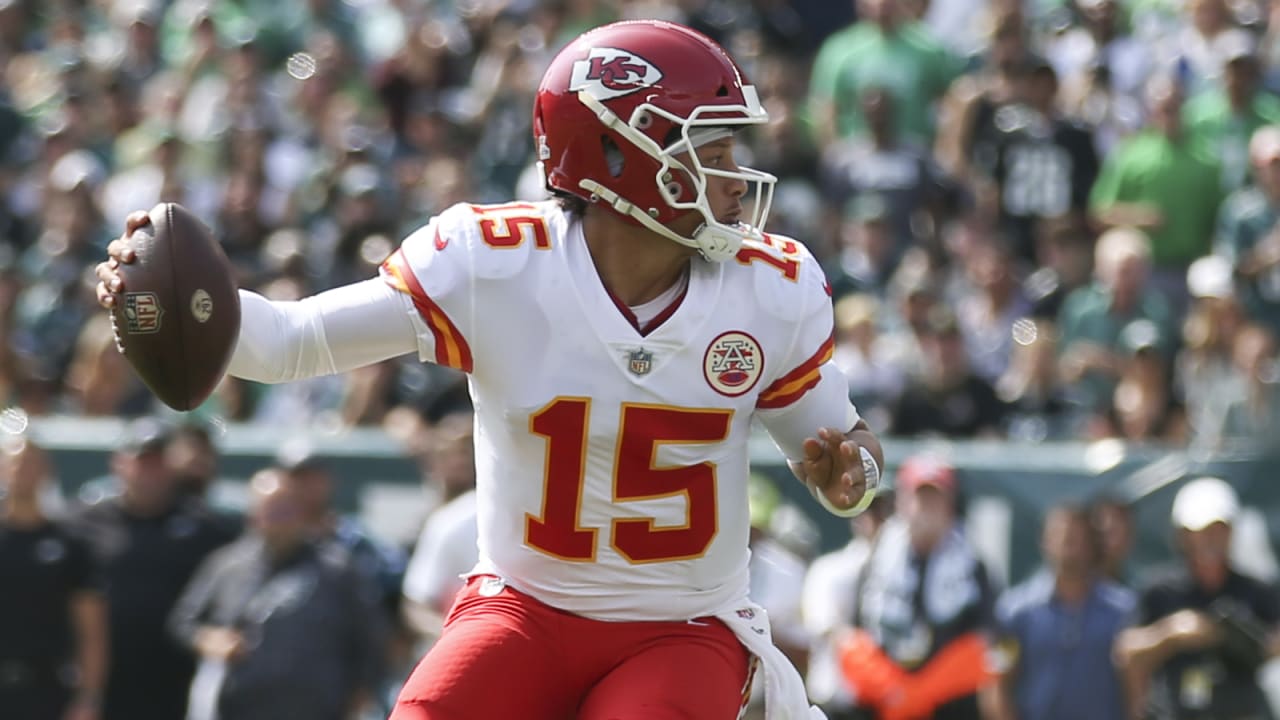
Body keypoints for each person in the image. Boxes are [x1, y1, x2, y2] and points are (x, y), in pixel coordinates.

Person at [96, 19, 884, 720]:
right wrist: (176, 297)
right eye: (709, 153)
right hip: (523, 609)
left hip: (684, 626)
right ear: (615, 154)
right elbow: (289, 345)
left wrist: (852, 474)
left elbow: (837, 445)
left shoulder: (769, 286)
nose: (732, 176)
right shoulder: (495, 264)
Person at [169, 467, 387, 720]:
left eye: (286, 508)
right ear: (253, 514)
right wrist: (207, 638)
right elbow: (182, 621)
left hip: (318, 710)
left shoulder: (337, 569)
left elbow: (372, 637)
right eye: (270, 509)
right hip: (239, 708)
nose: (279, 518)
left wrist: (365, 690)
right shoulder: (227, 565)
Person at [68, 418, 237, 720]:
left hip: (175, 676)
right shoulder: (83, 522)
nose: (149, 473)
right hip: (103, 673)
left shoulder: (205, 527)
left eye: (158, 462)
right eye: (141, 462)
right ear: (119, 464)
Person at [837, 455, 997, 720]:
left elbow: (986, 640)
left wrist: (926, 692)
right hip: (884, 707)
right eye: (919, 496)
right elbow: (856, 637)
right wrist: (895, 691)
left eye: (935, 497)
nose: (926, 506)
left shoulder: (973, 565)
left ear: (951, 503)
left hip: (952, 709)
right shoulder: (876, 561)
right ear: (901, 501)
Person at [1114, 477, 1280, 720]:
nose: (1209, 539)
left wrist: (1254, 639)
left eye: (1217, 530)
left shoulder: (1256, 590)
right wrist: (1171, 634)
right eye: (1200, 532)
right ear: (1183, 536)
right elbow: (1125, 652)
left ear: (1231, 532)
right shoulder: (1161, 591)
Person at [986, 504, 1135, 720]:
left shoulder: (1122, 611)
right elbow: (996, 682)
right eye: (1060, 535)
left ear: (1092, 544)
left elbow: (1136, 686)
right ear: (1044, 541)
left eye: (1077, 536)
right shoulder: (1016, 611)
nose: (1068, 544)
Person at [0, 436, 107, 720]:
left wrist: (88, 698)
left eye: (32, 463)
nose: (23, 471)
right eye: (16, 463)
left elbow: (91, 629)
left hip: (47, 689)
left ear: (47, 471)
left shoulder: (69, 544)